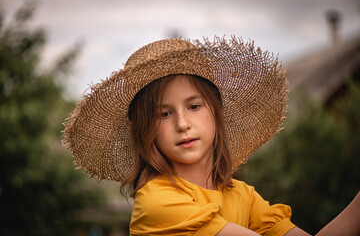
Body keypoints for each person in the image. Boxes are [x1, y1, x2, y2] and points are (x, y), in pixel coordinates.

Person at [62, 37, 360, 236]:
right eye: (164, 114)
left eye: (193, 106)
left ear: (215, 114)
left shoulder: (243, 196)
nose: (182, 123)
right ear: (145, 131)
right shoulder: (157, 203)